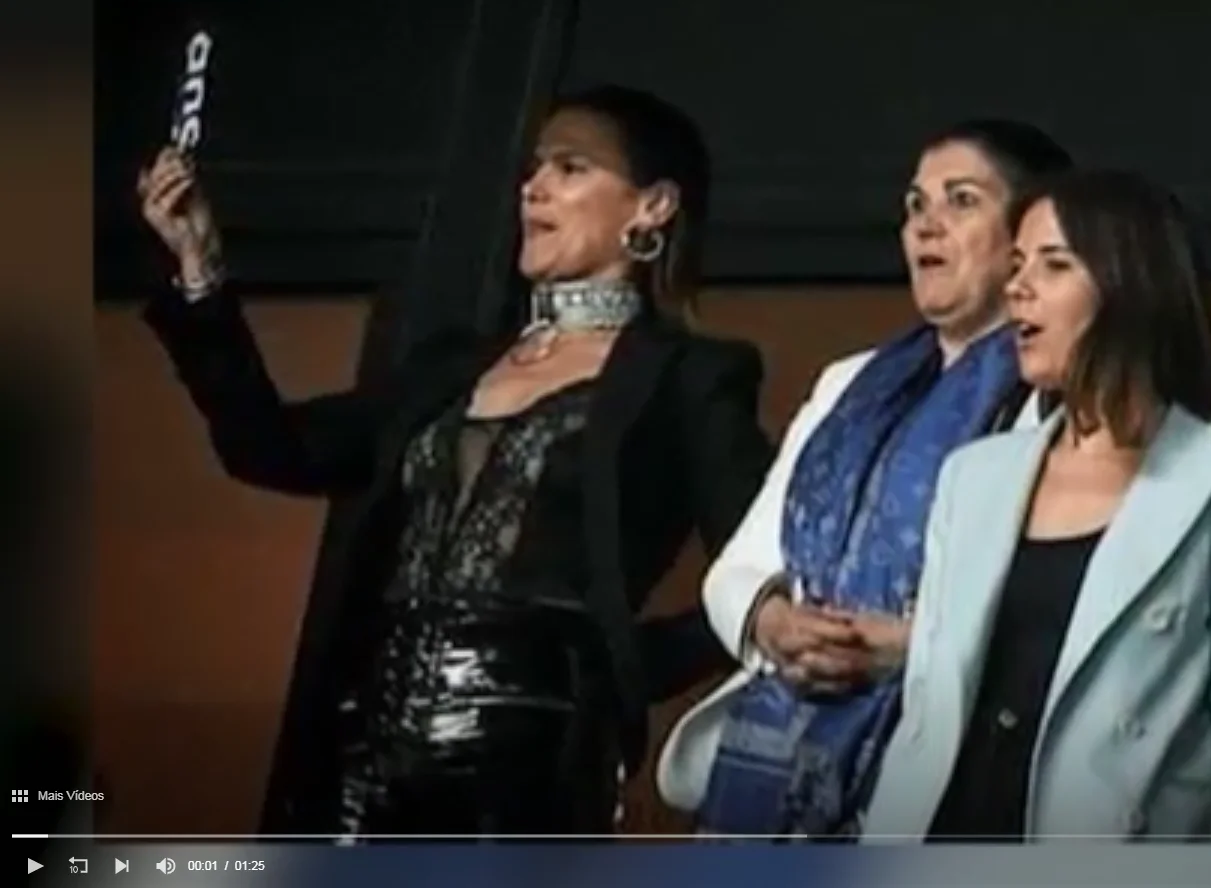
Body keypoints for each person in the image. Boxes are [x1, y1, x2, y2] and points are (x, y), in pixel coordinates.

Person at [133, 85, 775, 837]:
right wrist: (201, 270)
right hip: (358, 755)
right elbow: (269, 448)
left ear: (653, 207)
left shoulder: (690, 376)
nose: (533, 187)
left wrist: (618, 669)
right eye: (534, 168)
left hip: (527, 767)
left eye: (570, 168)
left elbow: (763, 566)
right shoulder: (449, 368)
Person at [654, 120, 1075, 838]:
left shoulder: (1056, 399)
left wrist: (906, 647)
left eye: (962, 200)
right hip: (775, 742)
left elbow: (1051, 617)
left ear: (1026, 235)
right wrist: (775, 624)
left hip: (941, 758)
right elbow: (738, 567)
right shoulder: (849, 383)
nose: (926, 225)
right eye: (915, 205)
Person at [861, 169, 1211, 843]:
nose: (1018, 287)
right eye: (1016, 265)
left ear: (1130, 284)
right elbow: (927, 703)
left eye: (1054, 264)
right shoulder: (974, 475)